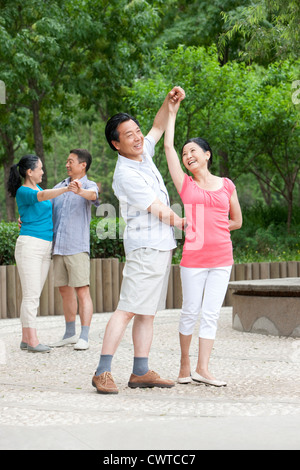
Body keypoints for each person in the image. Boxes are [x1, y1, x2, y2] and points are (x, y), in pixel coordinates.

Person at [92, 87, 186, 394]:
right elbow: (159, 210)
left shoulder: (143, 153)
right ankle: (102, 371)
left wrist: (168, 103)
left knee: (147, 311)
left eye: (136, 131)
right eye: (128, 135)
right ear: (115, 144)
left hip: (160, 247)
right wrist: (185, 222)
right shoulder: (125, 174)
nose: (137, 137)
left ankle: (141, 371)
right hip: (146, 248)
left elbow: (158, 127)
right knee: (127, 308)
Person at [164, 87, 243, 387]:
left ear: (207, 155)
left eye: (193, 151)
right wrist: (172, 113)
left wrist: (218, 228)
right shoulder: (186, 186)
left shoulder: (226, 185)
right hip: (194, 259)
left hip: (222, 258)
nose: (187, 156)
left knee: (211, 314)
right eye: (185, 154)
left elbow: (236, 220)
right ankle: (185, 365)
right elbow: (169, 148)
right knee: (190, 312)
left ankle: (203, 369)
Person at [7, 154, 78, 353]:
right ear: (30, 172)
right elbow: (43, 197)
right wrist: (66, 188)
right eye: (40, 168)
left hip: (44, 246)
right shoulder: (24, 190)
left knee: (33, 295)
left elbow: (41, 207)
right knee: (31, 296)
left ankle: (25, 337)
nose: (42, 172)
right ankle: (32, 340)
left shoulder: (37, 188)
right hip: (30, 245)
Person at [50, 149, 99, 351]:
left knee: (82, 290)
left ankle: (84, 336)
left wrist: (79, 191)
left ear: (83, 165)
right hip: (58, 247)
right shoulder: (58, 187)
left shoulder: (88, 185)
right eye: (67, 161)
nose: (67, 164)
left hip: (77, 246)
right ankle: (69, 334)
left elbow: (94, 196)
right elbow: (46, 207)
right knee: (64, 290)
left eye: (71, 161)